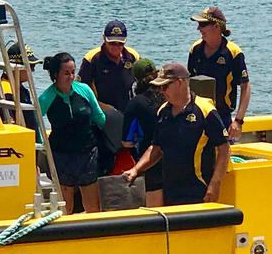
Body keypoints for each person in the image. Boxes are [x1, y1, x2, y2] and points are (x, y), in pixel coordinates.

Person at [123, 63, 230, 206]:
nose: (161, 91)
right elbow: (156, 148)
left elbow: (224, 149)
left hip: (198, 190)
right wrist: (136, 169)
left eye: (165, 86)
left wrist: (215, 184)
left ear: (180, 83)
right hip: (170, 190)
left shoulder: (205, 111)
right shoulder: (163, 111)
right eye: (159, 87)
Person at [39, 52, 106, 214]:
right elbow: (36, 123)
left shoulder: (84, 90)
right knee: (66, 206)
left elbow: (100, 118)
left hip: (87, 153)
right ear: (55, 75)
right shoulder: (47, 97)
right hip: (61, 156)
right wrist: (42, 144)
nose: (71, 77)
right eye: (66, 73)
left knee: (92, 206)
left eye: (73, 72)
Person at [188, 6, 251, 140]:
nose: (198, 29)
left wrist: (238, 121)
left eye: (203, 24)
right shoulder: (195, 49)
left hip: (222, 116)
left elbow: (245, 87)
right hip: (198, 113)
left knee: (223, 156)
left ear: (216, 26)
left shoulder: (233, 53)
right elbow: (189, 82)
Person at [122, 58, 166, 206]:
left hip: (150, 160)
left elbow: (127, 142)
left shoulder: (135, 103)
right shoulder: (168, 97)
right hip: (174, 158)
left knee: (156, 210)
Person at [78, 19, 141, 114]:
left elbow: (145, 84)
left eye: (120, 43)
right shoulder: (92, 59)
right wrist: (101, 107)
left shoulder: (133, 56)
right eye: (112, 43)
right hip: (101, 113)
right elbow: (79, 90)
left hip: (128, 112)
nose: (116, 46)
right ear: (104, 39)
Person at [0, 42, 43, 143]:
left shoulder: (20, 88)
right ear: (16, 66)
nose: (32, 71)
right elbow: (10, 125)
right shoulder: (5, 91)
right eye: (30, 66)